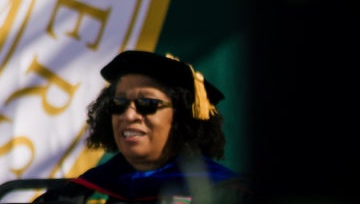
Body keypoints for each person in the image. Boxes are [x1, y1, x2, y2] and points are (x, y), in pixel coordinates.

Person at [34, 50, 250, 203]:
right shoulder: (84, 194)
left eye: (148, 104)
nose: (129, 115)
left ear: (181, 117)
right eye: (118, 104)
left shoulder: (224, 193)